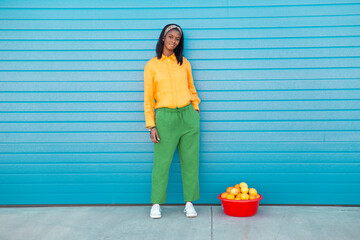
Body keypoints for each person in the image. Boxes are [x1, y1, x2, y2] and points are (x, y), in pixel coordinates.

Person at [143, 24, 201, 219]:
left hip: (187, 116)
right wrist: (151, 125)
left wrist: (195, 108)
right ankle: (156, 203)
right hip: (165, 118)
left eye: (177, 39)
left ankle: (189, 203)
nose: (173, 41)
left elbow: (191, 87)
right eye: (170, 37)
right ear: (163, 38)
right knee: (161, 162)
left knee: (190, 161)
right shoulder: (152, 65)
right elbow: (148, 98)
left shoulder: (184, 63)